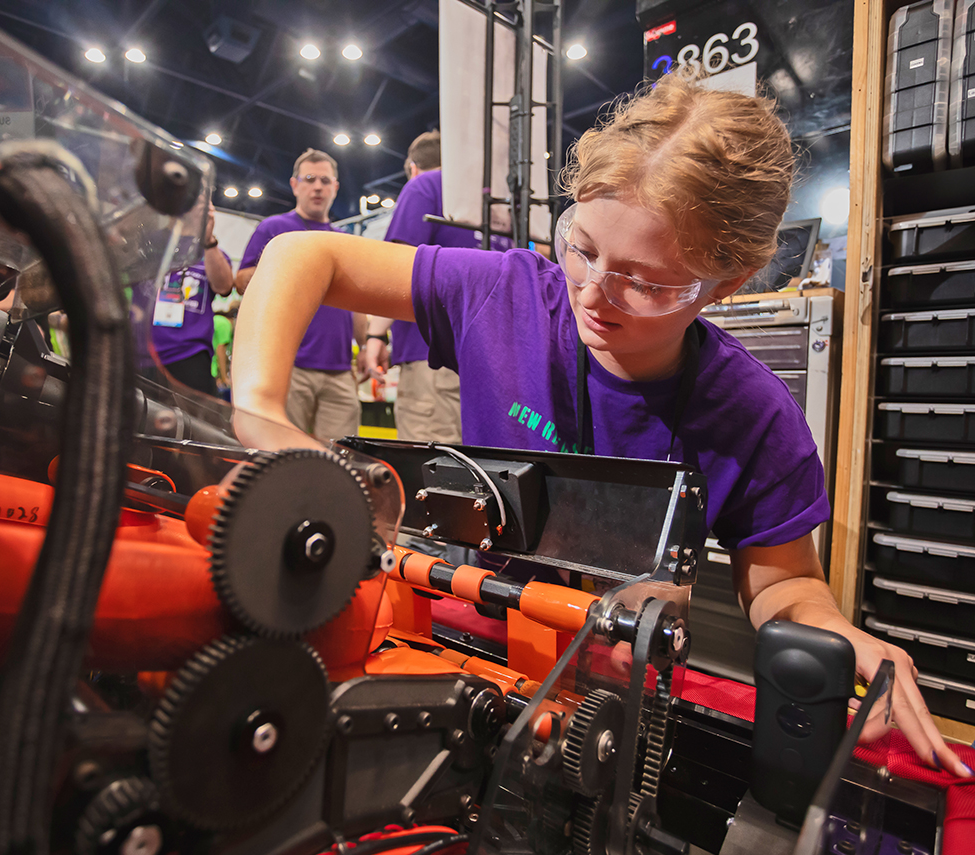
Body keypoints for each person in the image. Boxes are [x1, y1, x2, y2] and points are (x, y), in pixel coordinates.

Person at [229, 75, 971, 777]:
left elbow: (783, 584)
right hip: (463, 644)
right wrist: (259, 408)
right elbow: (302, 254)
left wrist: (827, 633)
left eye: (647, 282)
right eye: (581, 247)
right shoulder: (507, 294)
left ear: (730, 280)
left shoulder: (753, 415)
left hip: (610, 701)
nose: (594, 293)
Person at [366, 130, 511, 443]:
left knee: (435, 466)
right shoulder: (494, 203)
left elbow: (398, 266)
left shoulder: (424, 186)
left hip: (432, 353)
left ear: (413, 168)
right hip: (496, 361)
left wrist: (375, 334)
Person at [236, 148, 369, 440]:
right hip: (288, 365)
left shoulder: (345, 239)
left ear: (335, 187)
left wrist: (368, 344)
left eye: (325, 180)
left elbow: (359, 302)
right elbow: (242, 280)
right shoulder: (274, 228)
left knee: (342, 459)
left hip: (339, 370)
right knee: (282, 454)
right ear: (295, 185)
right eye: (310, 179)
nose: (318, 186)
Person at [150, 204, 234, 396]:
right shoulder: (149, 244)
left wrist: (208, 240)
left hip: (190, 355)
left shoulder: (213, 254)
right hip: (143, 352)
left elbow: (224, 287)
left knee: (192, 423)